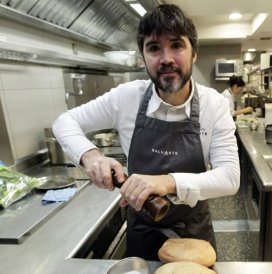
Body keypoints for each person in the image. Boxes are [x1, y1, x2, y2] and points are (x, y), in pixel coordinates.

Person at [52, 4, 239, 260]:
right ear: (143, 58)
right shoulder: (126, 97)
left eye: (176, 45)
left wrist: (167, 181)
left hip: (193, 235)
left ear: (194, 53)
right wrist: (91, 155)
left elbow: (230, 177)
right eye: (154, 48)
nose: (166, 58)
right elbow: (64, 121)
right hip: (142, 232)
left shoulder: (214, 105)